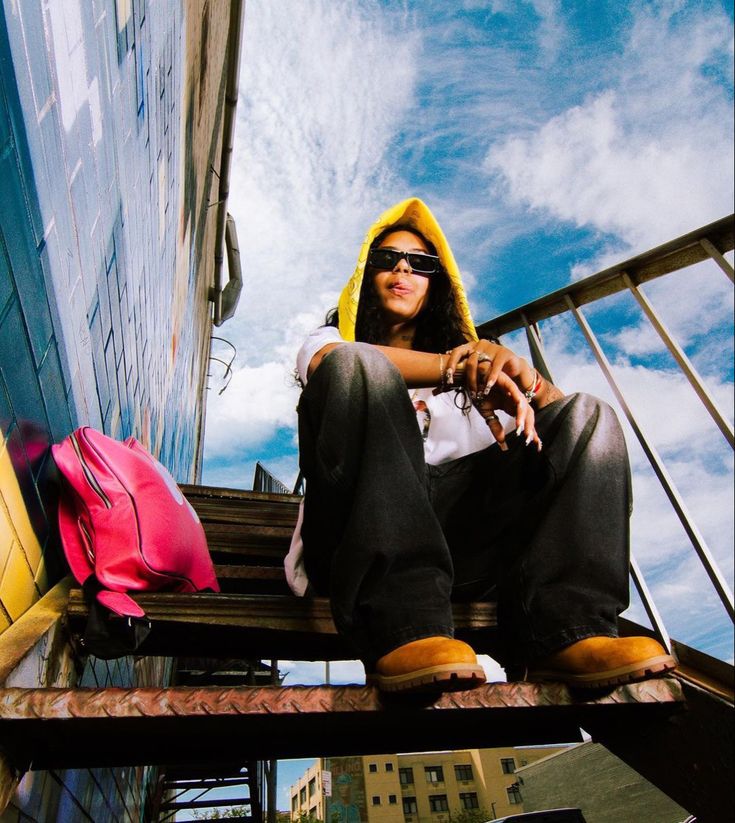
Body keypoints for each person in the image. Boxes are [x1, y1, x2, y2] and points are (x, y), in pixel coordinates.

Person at [287, 197, 676, 693]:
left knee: (587, 414)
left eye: (421, 264)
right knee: (359, 366)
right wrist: (453, 368)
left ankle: (569, 634)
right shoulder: (332, 342)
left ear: (437, 284)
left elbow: (555, 425)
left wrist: (520, 378)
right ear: (366, 273)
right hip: (354, 539)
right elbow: (329, 363)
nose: (403, 268)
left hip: (463, 548)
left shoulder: (479, 366)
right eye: (387, 258)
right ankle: (403, 629)